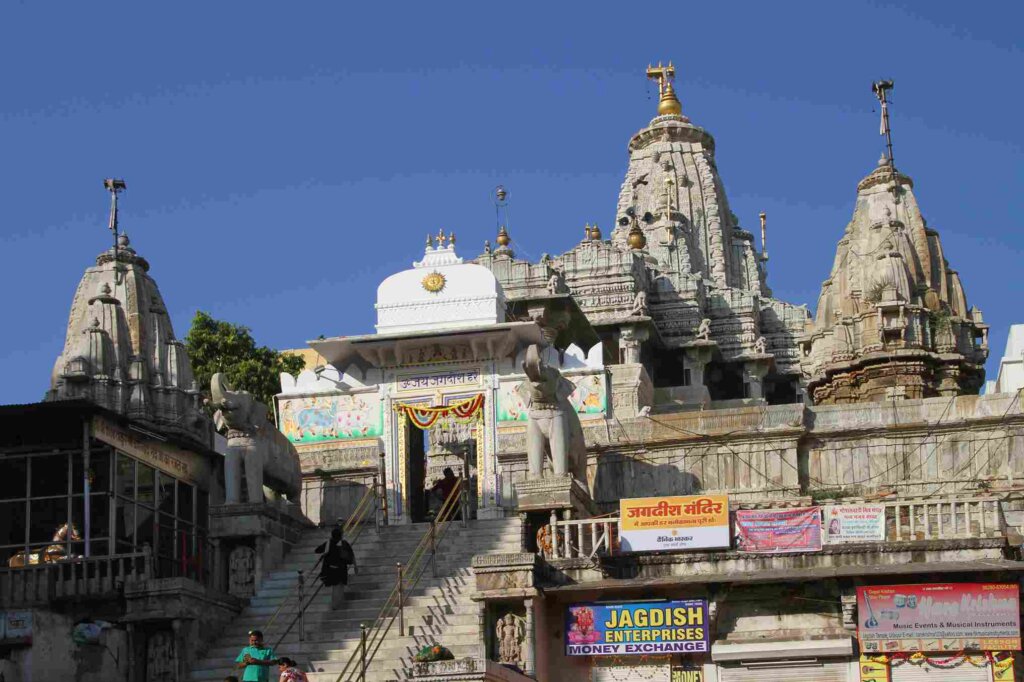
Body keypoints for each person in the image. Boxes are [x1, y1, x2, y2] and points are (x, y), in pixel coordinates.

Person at [315, 525, 355, 608]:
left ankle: (335, 605)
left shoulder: (328, 543)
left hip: (331, 569)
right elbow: (351, 554)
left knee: (335, 587)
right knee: (340, 586)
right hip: (342, 569)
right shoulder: (344, 543)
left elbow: (317, 550)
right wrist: (355, 566)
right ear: (341, 535)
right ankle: (339, 604)